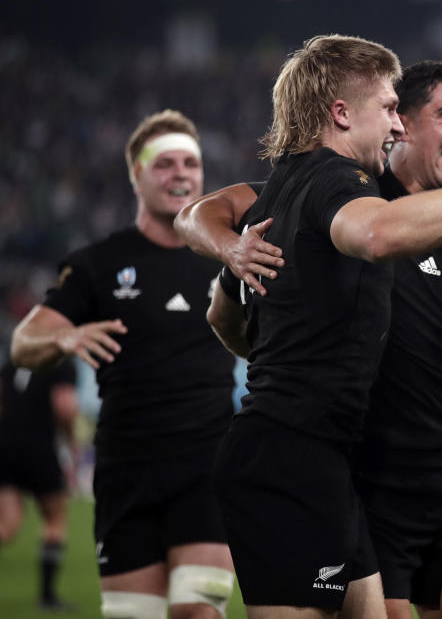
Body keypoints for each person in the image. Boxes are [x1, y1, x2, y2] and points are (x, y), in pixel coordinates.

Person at [197, 35, 442, 619]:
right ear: (341, 113)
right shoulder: (334, 180)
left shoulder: (284, 188)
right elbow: (377, 236)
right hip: (290, 458)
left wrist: (285, 355)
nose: (396, 126)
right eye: (387, 108)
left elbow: (221, 314)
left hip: (321, 458)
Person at [10, 110, 237, 619]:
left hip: (205, 465)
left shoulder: (227, 255)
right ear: (136, 174)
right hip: (125, 472)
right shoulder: (98, 263)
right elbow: (24, 343)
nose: (181, 173)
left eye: (191, 163)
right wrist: (65, 336)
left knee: (197, 611)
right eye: (165, 164)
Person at [0, 357, 78, 610]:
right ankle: (47, 597)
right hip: (40, 448)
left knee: (7, 527)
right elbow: (65, 407)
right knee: (54, 519)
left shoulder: (14, 359)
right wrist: (70, 441)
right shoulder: (61, 362)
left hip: (5, 447)